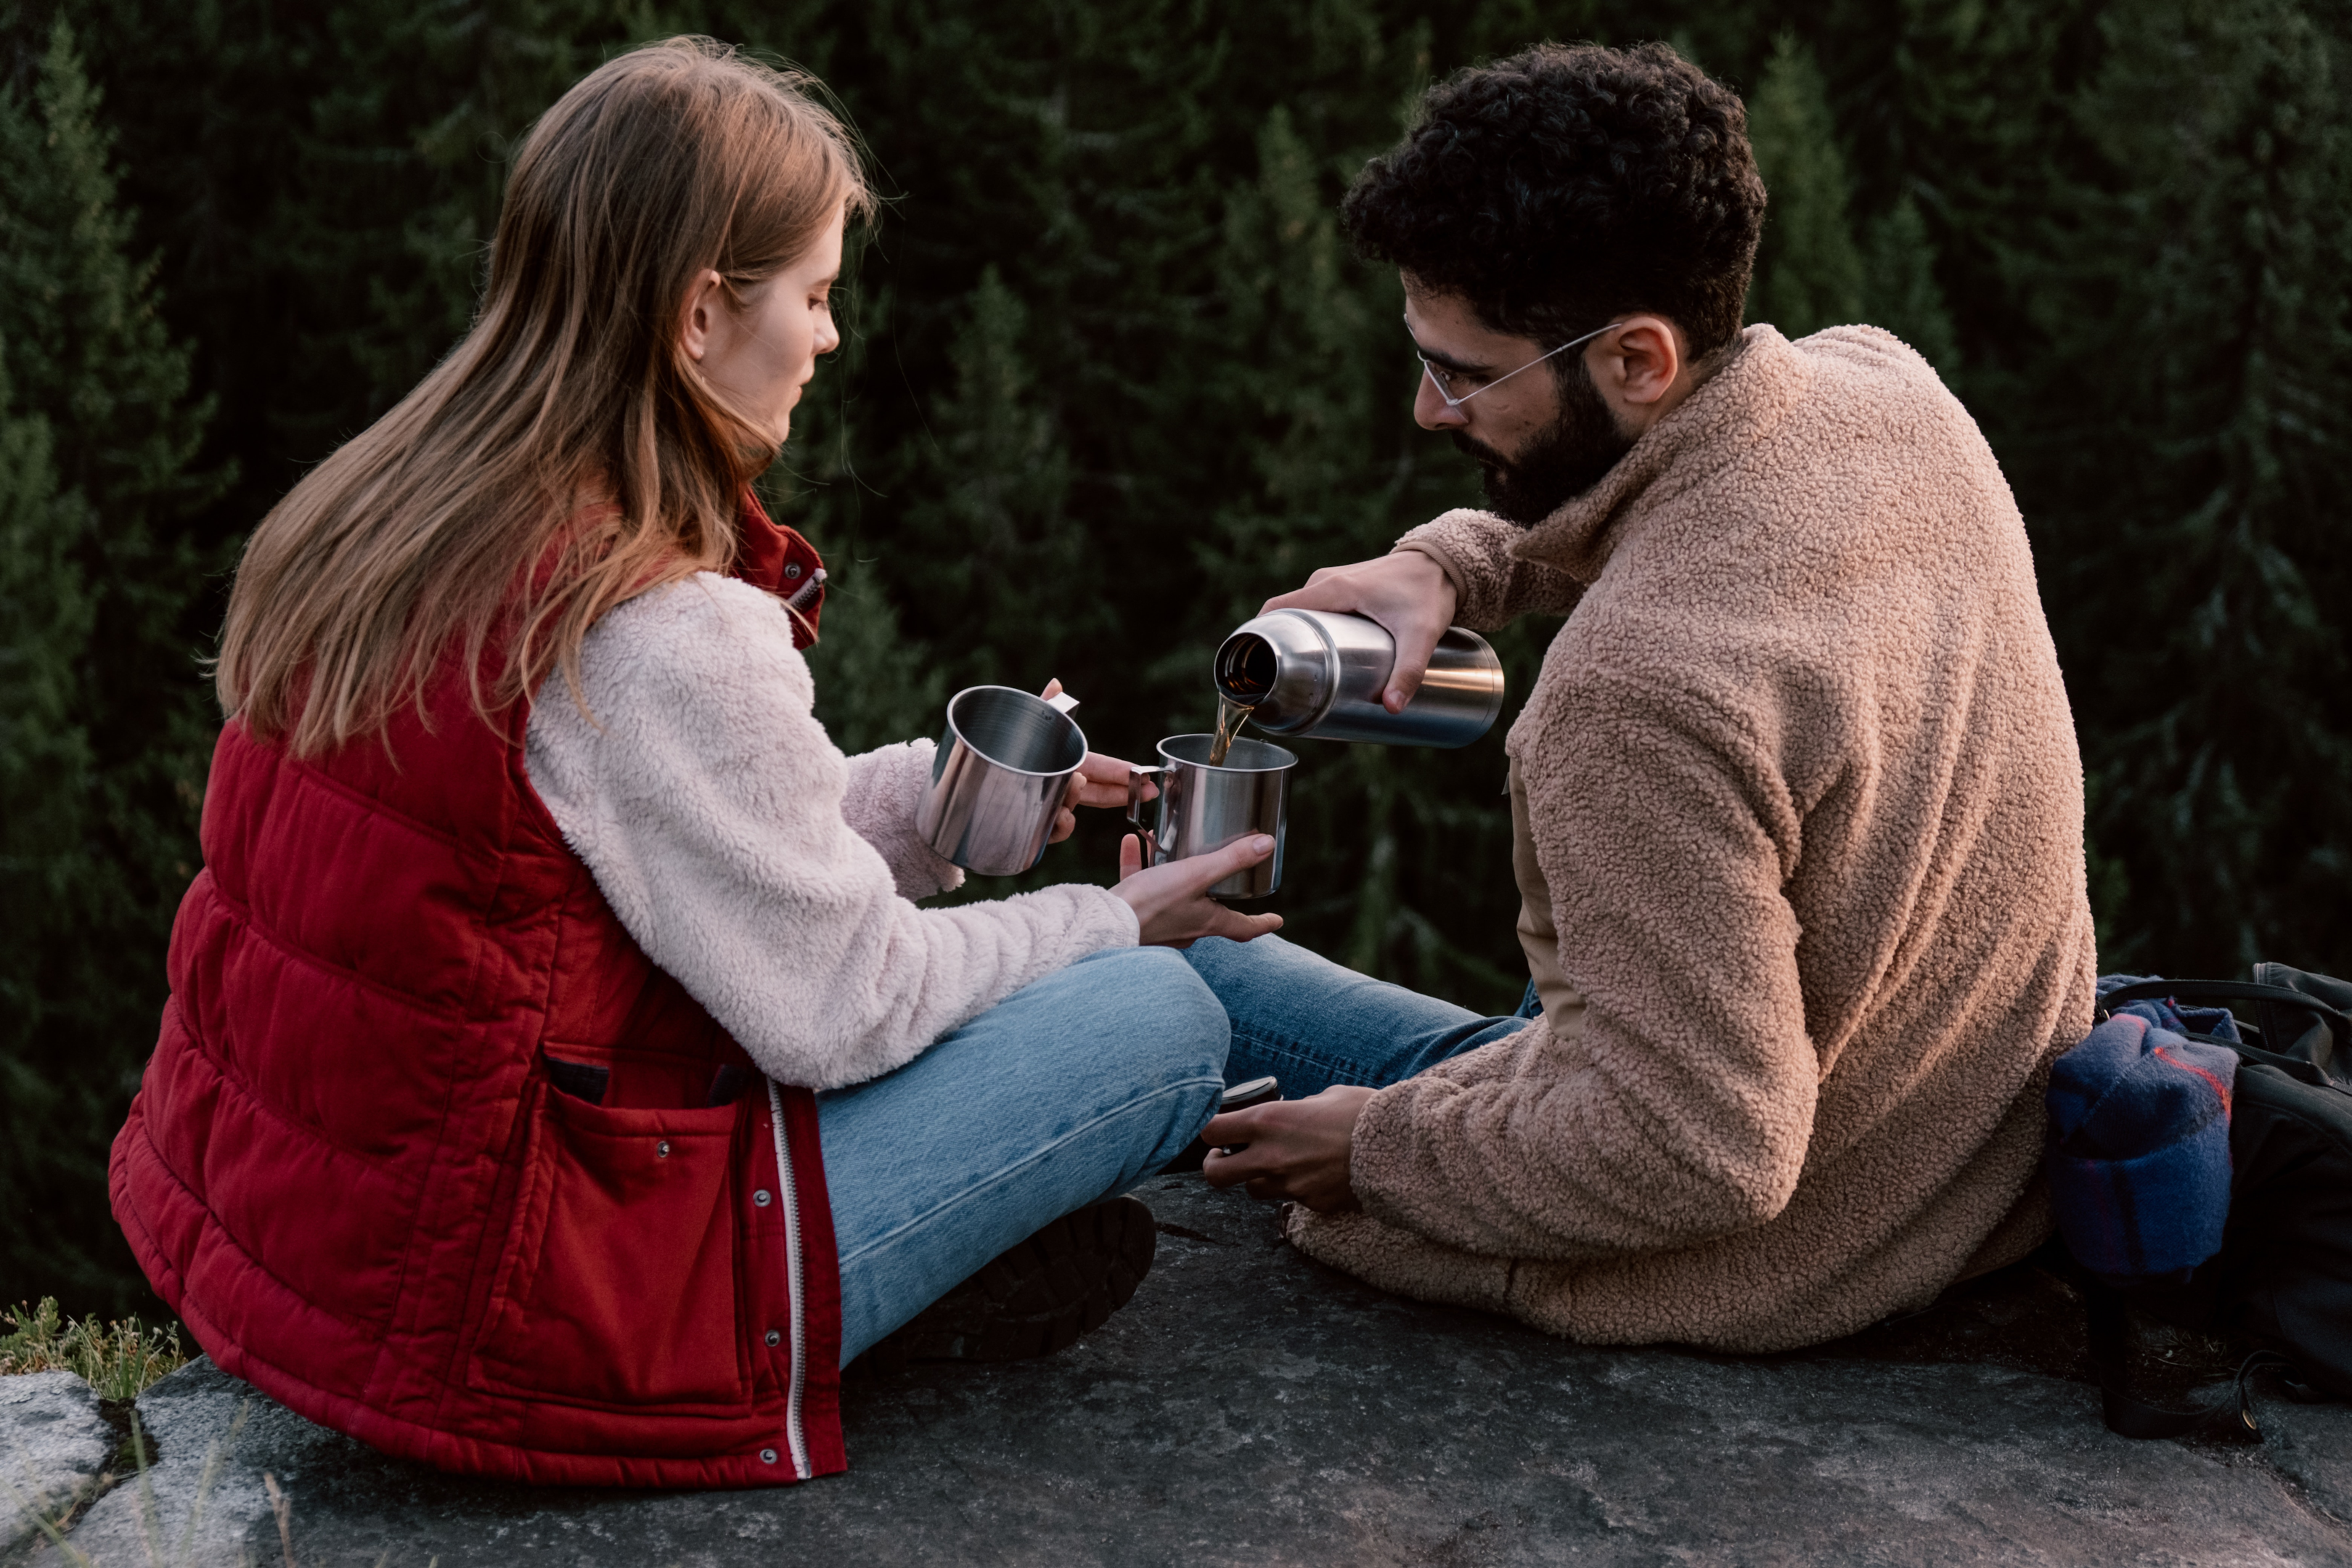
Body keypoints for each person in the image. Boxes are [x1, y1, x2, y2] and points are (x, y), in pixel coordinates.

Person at [109, 38, 1278, 1488]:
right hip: (527, 1302)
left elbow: (637, 842)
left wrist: (931, 807)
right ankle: (1480, 1121)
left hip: (317, 1256)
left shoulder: (395, 511)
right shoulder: (659, 624)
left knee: (1124, 982)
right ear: (703, 314)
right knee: (1159, 1018)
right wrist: (1109, 922)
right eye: (816, 297)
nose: (831, 339)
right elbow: (845, 1010)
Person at [1189, 41, 2098, 1355]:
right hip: (1969, 1135)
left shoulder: (1632, 701)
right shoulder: (1889, 393)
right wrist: (1457, 560)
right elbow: (1719, 517)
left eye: (1461, 371)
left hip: (1816, 1233)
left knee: (1184, 987)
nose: (1427, 408)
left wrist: (1379, 1151)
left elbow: (1702, 1151)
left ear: (1636, 360)